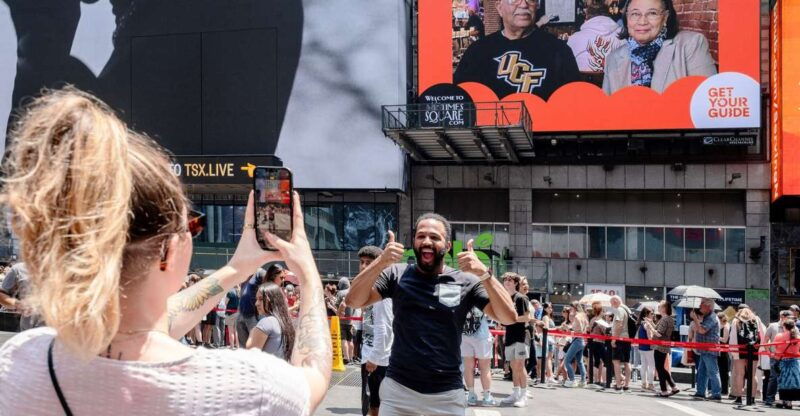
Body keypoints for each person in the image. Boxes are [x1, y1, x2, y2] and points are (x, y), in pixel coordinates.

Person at [0, 88, 330, 414]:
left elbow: (149, 324)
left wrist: (237, 269)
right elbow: (313, 373)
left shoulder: (21, 362)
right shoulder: (250, 386)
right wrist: (307, 272)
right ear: (169, 250)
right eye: (193, 225)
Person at [345, 213, 516, 416]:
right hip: (399, 392)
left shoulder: (466, 281)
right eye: (421, 236)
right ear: (414, 243)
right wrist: (381, 261)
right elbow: (353, 300)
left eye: (434, 237)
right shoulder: (396, 274)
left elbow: (508, 317)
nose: (426, 241)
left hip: (447, 396)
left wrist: (484, 274)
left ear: (448, 246)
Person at [453, 0, 580, 101]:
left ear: (537, 5)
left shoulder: (559, 50)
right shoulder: (478, 51)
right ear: (499, 7)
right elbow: (461, 99)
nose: (524, 4)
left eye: (530, 0)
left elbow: (572, 101)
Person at [602, 0, 717, 94]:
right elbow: (607, 111)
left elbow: (706, 102)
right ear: (627, 18)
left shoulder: (690, 45)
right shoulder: (613, 58)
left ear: (665, 17)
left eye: (652, 13)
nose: (642, 21)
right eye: (635, 14)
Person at [356, 246, 394, 416]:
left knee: (376, 407)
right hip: (370, 355)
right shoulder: (369, 288)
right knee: (370, 404)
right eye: (362, 262)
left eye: (369, 263)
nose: (364, 266)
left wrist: (375, 357)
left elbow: (385, 327)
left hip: (379, 360)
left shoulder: (382, 289)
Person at [567, 0, 625, 72]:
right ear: (608, 15)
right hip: (615, 82)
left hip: (582, 82)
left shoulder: (574, 38)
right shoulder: (623, 36)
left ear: (587, 18)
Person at [500, 272, 530, 407]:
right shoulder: (504, 298)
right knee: (513, 366)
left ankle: (524, 395)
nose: (507, 281)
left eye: (510, 280)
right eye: (505, 279)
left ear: (516, 283)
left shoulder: (521, 298)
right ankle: (516, 393)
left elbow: (526, 317)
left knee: (519, 365)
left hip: (521, 336)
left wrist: (512, 319)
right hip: (510, 335)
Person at [246, 283, 295, 360]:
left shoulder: (266, 322)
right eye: (256, 299)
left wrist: (252, 334)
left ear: (272, 300)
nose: (256, 303)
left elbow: (250, 354)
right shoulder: (284, 321)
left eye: (261, 299)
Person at [462, 304, 498, 407]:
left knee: (468, 367)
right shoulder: (481, 292)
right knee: (485, 368)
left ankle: (471, 395)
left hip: (464, 333)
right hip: (482, 334)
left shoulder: (462, 290)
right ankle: (486, 397)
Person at [728, 306, 764, 404]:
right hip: (753, 349)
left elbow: (733, 337)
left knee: (740, 374)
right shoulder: (756, 319)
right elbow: (762, 334)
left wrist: (733, 351)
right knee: (753, 374)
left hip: (740, 349)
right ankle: (752, 398)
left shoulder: (736, 320)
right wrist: (760, 348)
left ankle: (739, 397)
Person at [691, 298, 722, 401]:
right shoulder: (707, 317)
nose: (700, 306)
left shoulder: (712, 317)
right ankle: (700, 392)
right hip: (704, 349)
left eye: (702, 304)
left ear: (708, 306)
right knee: (702, 371)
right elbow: (699, 329)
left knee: (712, 371)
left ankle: (716, 394)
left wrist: (695, 319)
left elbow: (702, 330)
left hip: (709, 349)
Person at [647, 300, 678, 397]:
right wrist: (651, 323)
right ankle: (673, 386)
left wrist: (650, 327)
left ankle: (665, 389)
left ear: (664, 308)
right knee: (661, 368)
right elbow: (659, 330)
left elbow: (659, 333)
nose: (658, 308)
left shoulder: (665, 319)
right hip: (663, 346)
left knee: (660, 368)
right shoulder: (668, 318)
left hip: (660, 346)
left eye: (660, 306)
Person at [0, 262, 40, 330]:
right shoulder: (18, 269)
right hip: (29, 329)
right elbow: (2, 294)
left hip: (59, 330)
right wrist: (18, 304)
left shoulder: (61, 268)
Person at [765, 310, 792, 407]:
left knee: (786, 379)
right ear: (782, 316)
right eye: (788, 317)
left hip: (788, 357)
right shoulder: (773, 326)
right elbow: (766, 340)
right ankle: (769, 399)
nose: (790, 319)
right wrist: (769, 353)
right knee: (774, 378)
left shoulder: (792, 328)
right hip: (775, 357)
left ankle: (784, 400)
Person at [562, 301, 589, 388]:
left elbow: (579, 330)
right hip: (581, 341)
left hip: (577, 340)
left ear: (574, 307)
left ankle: (573, 380)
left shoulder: (577, 316)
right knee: (580, 362)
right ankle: (583, 381)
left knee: (567, 360)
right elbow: (585, 328)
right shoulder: (583, 316)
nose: (570, 309)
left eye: (571, 307)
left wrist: (569, 328)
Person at [610, 295, 633, 393]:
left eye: (611, 303)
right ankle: (627, 385)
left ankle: (619, 385)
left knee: (616, 362)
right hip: (627, 338)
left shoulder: (619, 310)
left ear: (615, 301)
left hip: (620, 339)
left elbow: (618, 325)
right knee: (627, 362)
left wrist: (614, 339)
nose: (612, 306)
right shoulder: (627, 309)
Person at [776, 319, 800, 409]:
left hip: (784, 360)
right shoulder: (797, 337)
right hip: (795, 361)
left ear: (784, 326)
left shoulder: (779, 336)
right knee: (793, 382)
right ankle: (789, 402)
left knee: (783, 381)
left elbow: (777, 350)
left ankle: (782, 400)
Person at [336, 277, 355, 364]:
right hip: (350, 320)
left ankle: (346, 357)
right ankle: (351, 357)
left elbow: (337, 305)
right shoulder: (351, 292)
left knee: (343, 338)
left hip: (342, 320)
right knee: (350, 339)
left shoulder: (340, 293)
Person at [636, 306, 656, 392]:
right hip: (648, 347)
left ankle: (644, 383)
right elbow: (650, 337)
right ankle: (650, 384)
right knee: (651, 366)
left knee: (644, 365)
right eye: (651, 313)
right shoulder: (647, 324)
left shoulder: (641, 323)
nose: (653, 315)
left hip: (641, 347)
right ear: (646, 314)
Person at [718, 312, 731, 398]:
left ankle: (725, 390)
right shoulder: (723, 326)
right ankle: (723, 389)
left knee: (724, 372)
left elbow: (725, 339)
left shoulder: (726, 327)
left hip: (724, 351)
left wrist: (716, 336)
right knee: (722, 371)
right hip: (721, 351)